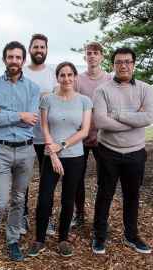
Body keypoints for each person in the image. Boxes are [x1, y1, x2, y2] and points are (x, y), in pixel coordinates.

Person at [0, 41, 40, 267]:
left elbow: (31, 120)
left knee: (17, 199)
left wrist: (6, 114)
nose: (14, 61)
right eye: (10, 57)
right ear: (5, 59)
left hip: (26, 150)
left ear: (23, 60)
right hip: (1, 150)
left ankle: (13, 240)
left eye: (18, 57)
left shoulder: (32, 88)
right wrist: (19, 116)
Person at [91, 47, 153, 255]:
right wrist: (133, 120)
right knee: (105, 194)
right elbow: (100, 120)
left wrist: (117, 114)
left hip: (136, 152)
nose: (123, 65)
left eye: (128, 61)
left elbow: (148, 118)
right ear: (113, 65)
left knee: (132, 195)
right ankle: (99, 236)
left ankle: (131, 235)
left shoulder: (146, 89)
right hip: (108, 151)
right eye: (119, 62)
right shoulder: (102, 90)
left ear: (134, 64)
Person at [27, 62, 92, 257]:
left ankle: (63, 238)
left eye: (70, 75)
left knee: (68, 199)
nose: (66, 78)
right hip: (50, 155)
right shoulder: (48, 100)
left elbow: (84, 131)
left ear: (75, 77)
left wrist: (61, 146)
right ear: (57, 77)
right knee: (45, 198)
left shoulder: (84, 101)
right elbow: (44, 128)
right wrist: (53, 153)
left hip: (75, 157)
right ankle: (39, 239)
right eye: (62, 75)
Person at [72, 42, 112, 228]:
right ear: (85, 57)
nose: (92, 56)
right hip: (80, 138)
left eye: (96, 53)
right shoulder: (78, 80)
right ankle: (79, 214)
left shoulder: (110, 79)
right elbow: (72, 105)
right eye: (89, 53)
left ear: (102, 56)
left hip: (103, 138)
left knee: (104, 179)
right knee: (77, 178)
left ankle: (100, 217)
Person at [21, 33, 58, 235]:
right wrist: (42, 96)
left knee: (48, 182)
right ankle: (22, 216)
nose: (39, 50)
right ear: (30, 49)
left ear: (46, 50)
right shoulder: (23, 73)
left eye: (42, 47)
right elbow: (17, 101)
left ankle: (46, 217)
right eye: (35, 47)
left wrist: (37, 98)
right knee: (23, 180)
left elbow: (57, 101)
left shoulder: (53, 74)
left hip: (47, 137)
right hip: (24, 136)